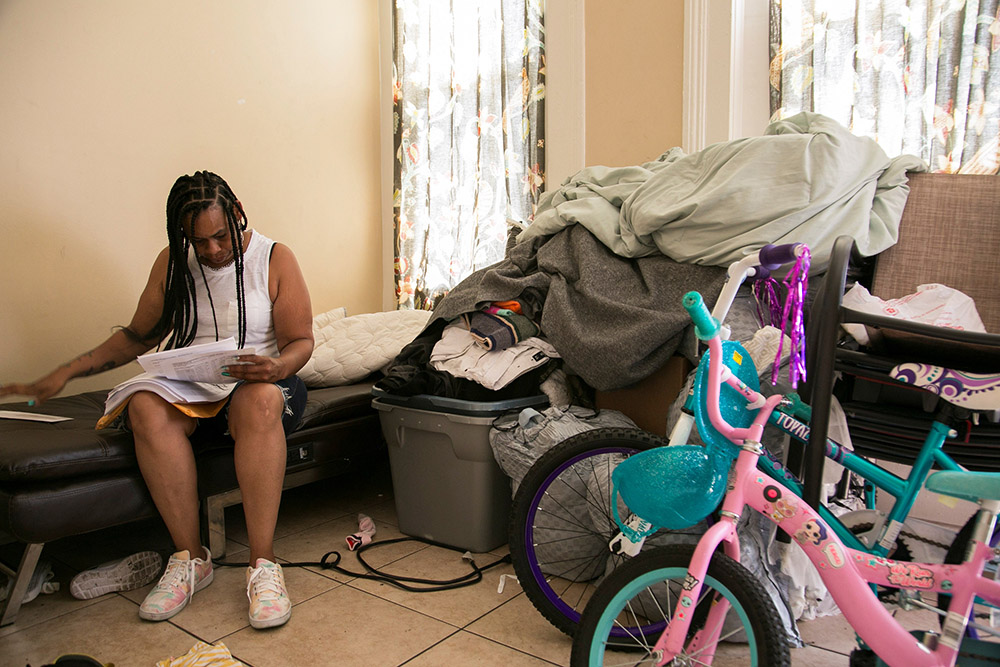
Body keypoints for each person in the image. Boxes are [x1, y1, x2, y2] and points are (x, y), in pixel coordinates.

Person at [0, 171, 314, 629]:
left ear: (237, 211)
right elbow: (136, 336)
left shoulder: (274, 257)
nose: (210, 250)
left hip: (265, 388)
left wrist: (277, 367)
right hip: (198, 392)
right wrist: (66, 371)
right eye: (198, 240)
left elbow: (301, 341)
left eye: (220, 236)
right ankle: (190, 559)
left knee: (258, 400)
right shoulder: (174, 261)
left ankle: (263, 566)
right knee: (145, 403)